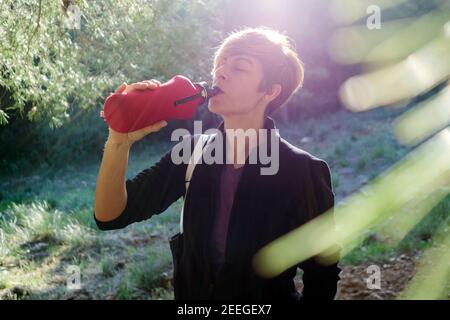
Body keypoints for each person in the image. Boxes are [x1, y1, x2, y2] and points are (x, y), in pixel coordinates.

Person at [94, 27, 341, 300]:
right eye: (220, 63)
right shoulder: (191, 153)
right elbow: (111, 216)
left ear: (270, 91)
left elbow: (322, 277)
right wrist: (119, 141)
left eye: (239, 67)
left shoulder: (302, 171)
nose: (220, 72)